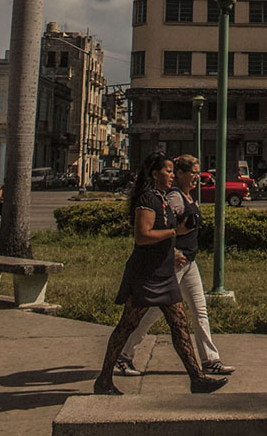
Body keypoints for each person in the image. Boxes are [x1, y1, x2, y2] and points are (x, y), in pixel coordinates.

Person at [93, 152, 228, 396]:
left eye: (172, 171)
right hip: (146, 273)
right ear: (155, 174)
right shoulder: (147, 199)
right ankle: (105, 378)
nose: (171, 176)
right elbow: (142, 236)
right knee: (127, 325)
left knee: (179, 324)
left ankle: (197, 378)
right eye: (168, 171)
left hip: (164, 273)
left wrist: (173, 244)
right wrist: (175, 233)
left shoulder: (162, 199)